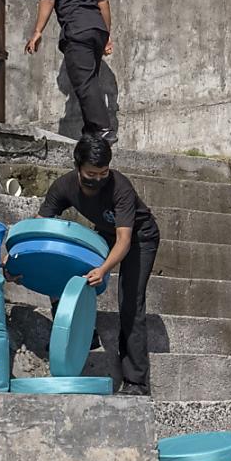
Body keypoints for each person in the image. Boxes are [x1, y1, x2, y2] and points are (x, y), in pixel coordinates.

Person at [37, 134, 159, 394]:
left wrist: (103, 270)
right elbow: (40, 227)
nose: (98, 179)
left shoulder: (120, 188)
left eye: (103, 173)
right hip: (105, 233)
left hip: (140, 237)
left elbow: (124, 240)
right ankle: (83, 333)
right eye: (91, 173)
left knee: (130, 301)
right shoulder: (64, 186)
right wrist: (17, 256)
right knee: (62, 266)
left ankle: (136, 382)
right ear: (78, 167)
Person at [25, 0, 115, 144]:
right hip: (96, 29)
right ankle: (92, 132)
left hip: (77, 29)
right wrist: (106, 35)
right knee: (89, 80)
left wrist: (37, 31)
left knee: (84, 82)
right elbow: (103, 3)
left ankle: (103, 129)